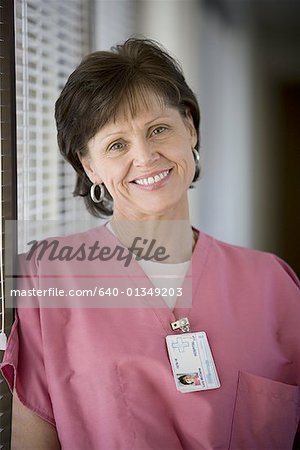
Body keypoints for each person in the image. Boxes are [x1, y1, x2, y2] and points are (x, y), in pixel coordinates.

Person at [1, 38, 300, 450]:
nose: (145, 157)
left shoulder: (273, 285)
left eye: (158, 129)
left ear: (190, 129)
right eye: (116, 144)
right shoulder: (50, 280)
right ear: (90, 167)